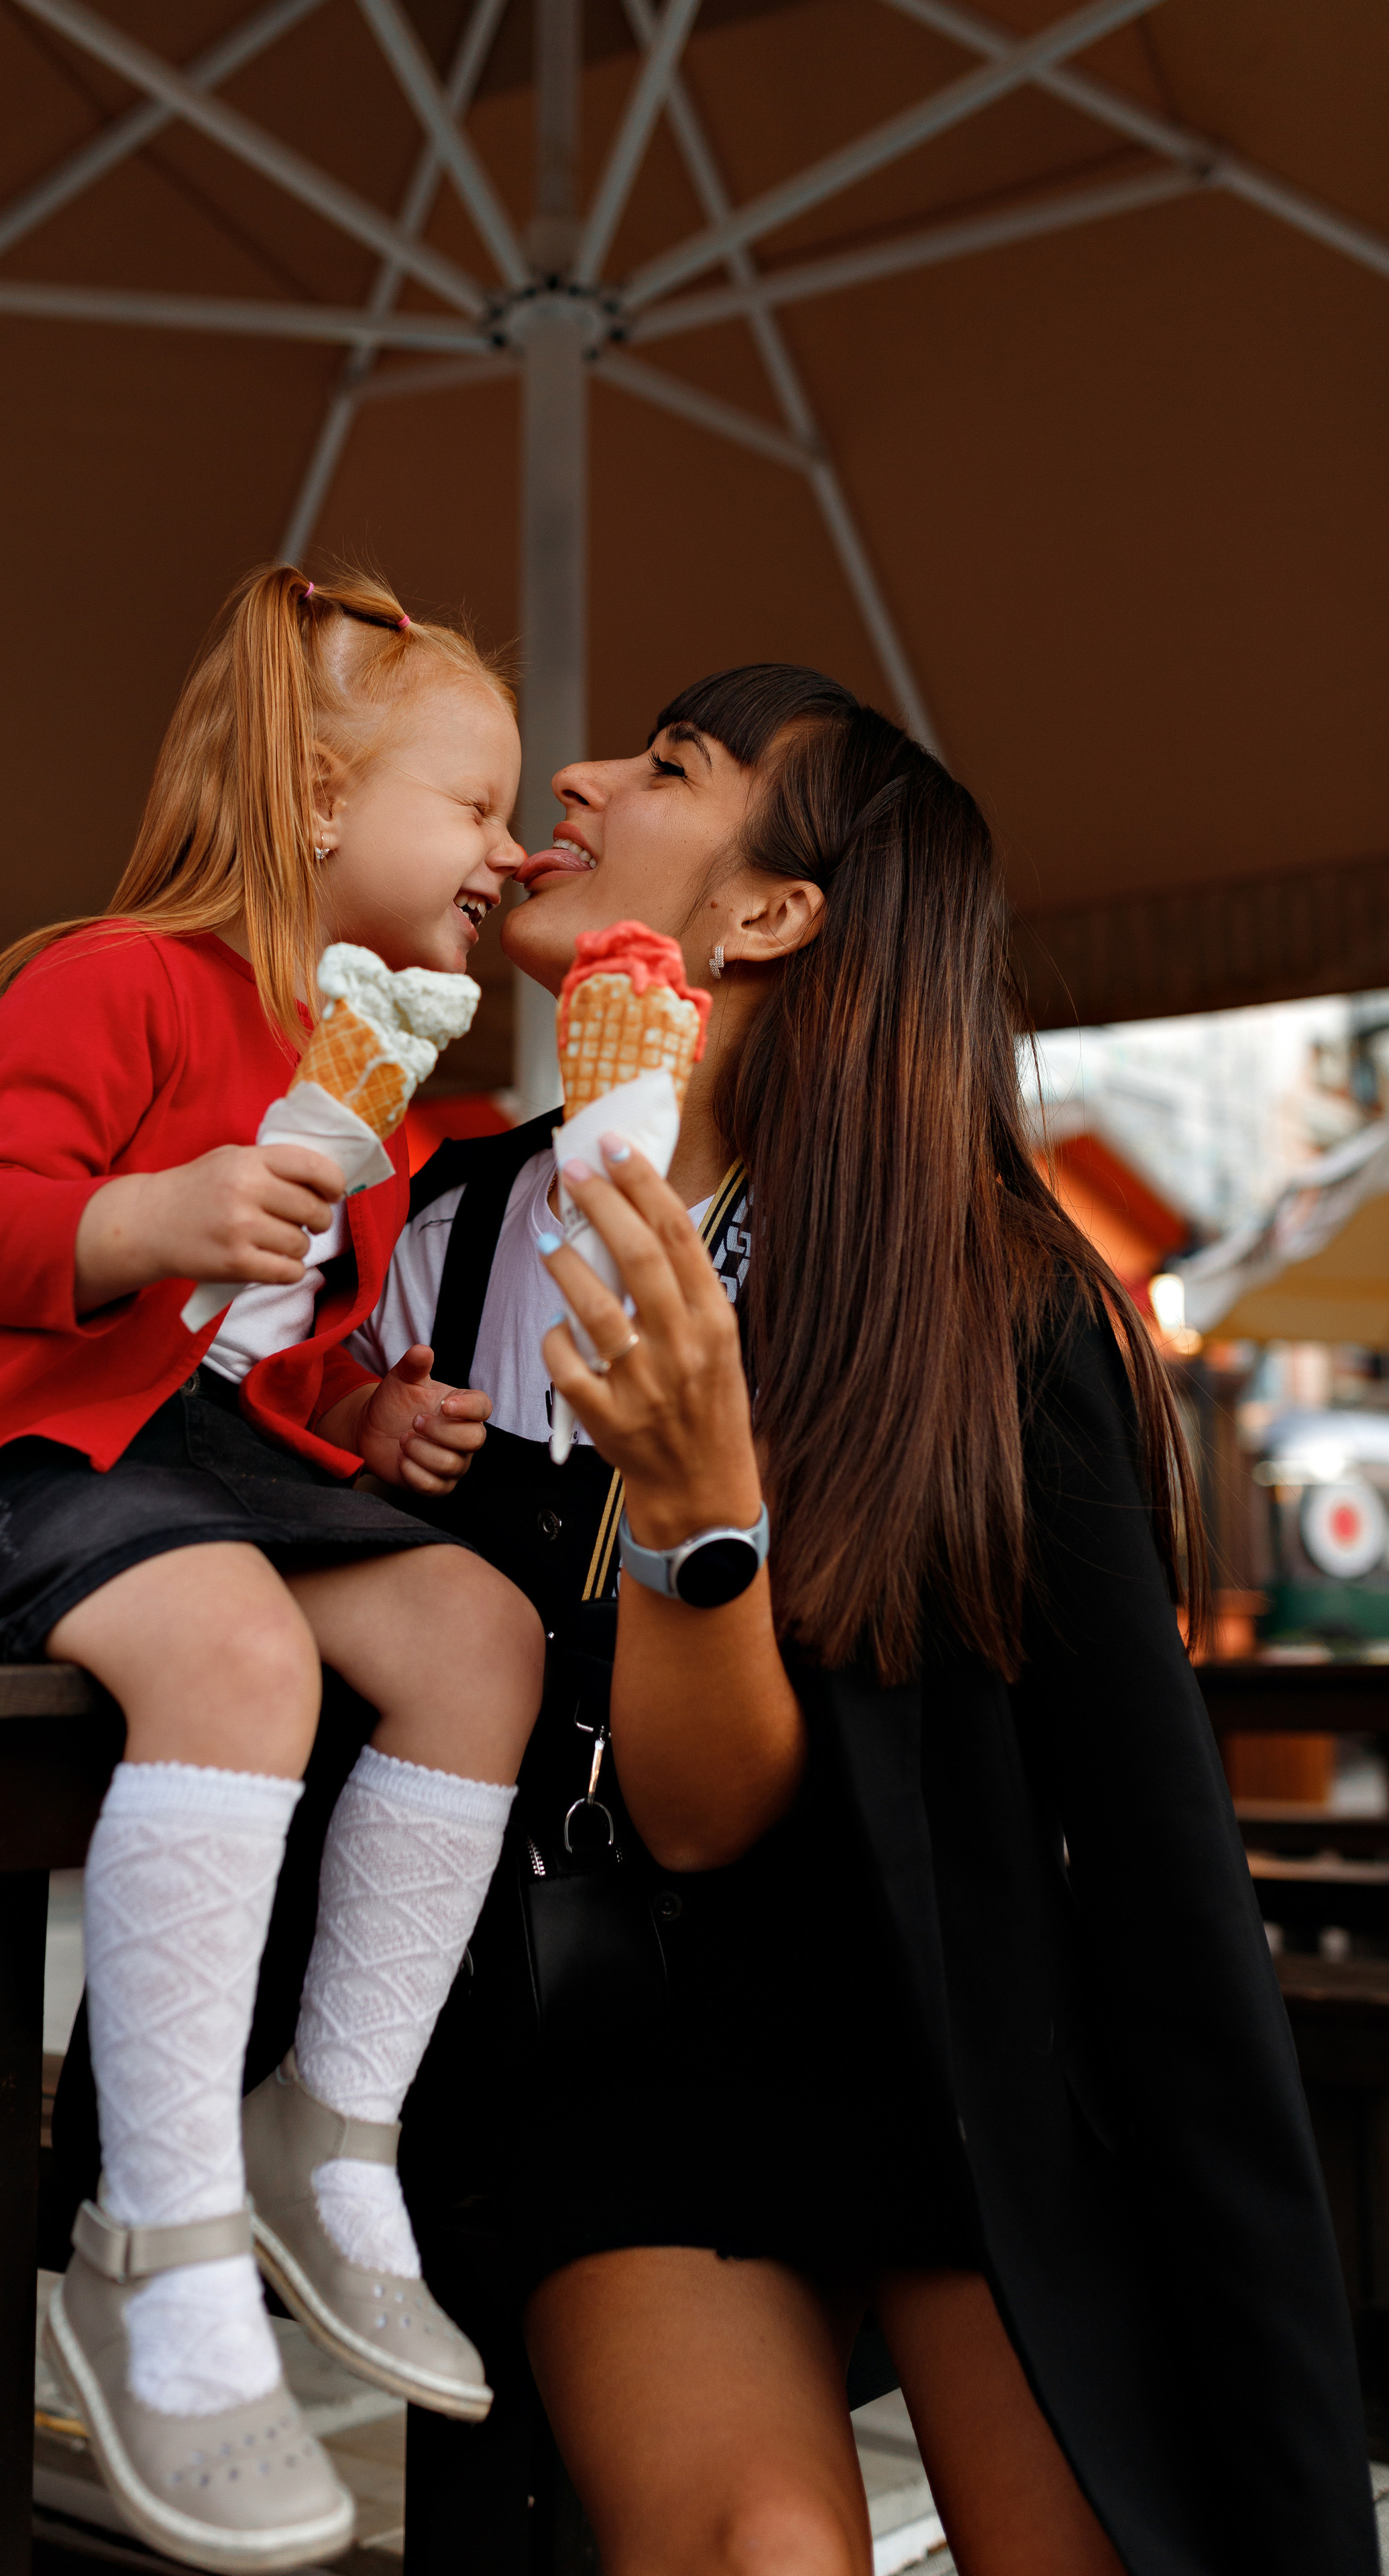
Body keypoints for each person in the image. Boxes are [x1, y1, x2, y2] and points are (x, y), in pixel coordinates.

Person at [366, 665, 1377, 2574]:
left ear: (770, 914)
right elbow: (692, 1821)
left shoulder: (990, 1301)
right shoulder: (451, 1238)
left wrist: (1270, 2349)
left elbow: (1154, 1861)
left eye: (668, 764)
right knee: (764, 2553)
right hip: (625, 2039)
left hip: (948, 2045)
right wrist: (681, 1517)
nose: (573, 778)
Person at [0, 565, 547, 2573]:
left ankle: (332, 2124)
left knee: (480, 1631)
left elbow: (255, 1370)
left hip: (206, 1470)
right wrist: (154, 1214)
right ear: (319, 797)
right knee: (241, 1659)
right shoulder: (116, 975)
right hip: (14, 1456)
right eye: (476, 807)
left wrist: (363, 1413)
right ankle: (159, 2233)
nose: (507, 852)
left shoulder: (370, 1067)